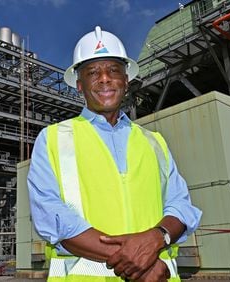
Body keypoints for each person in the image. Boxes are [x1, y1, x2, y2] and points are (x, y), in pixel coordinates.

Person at [27, 26, 202, 281]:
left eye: (113, 70)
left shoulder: (155, 143)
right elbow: (52, 216)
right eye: (92, 72)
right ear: (79, 84)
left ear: (126, 80)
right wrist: (139, 261)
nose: (105, 79)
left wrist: (157, 238)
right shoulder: (54, 139)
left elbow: (182, 206)